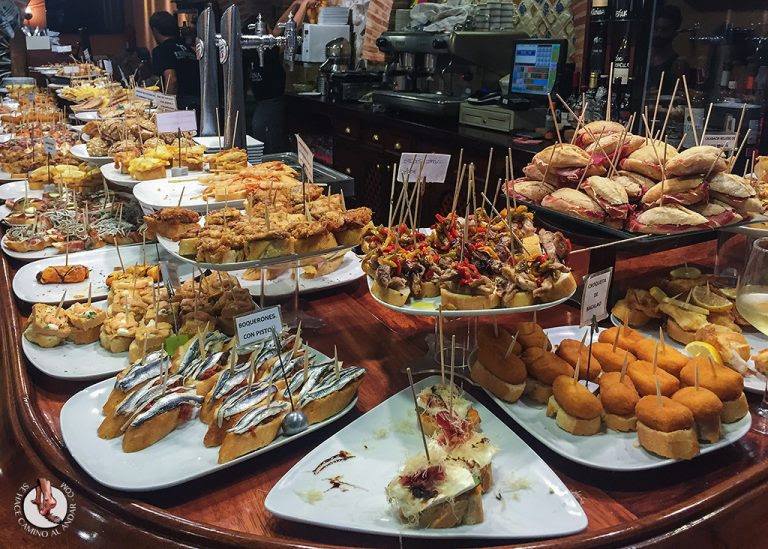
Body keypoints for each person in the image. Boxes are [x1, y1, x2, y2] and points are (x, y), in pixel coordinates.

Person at [245, 0, 315, 153]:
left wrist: (296, 4)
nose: (272, 30)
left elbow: (279, 28)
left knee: (265, 143)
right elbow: (291, 31)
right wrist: (305, 4)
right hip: (270, 105)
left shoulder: (253, 48)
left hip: (262, 104)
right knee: (271, 148)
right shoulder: (266, 49)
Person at [149, 11, 200, 110]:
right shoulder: (187, 47)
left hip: (183, 104)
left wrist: (167, 108)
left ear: (155, 30)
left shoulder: (161, 50)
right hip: (199, 102)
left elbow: (171, 80)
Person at [648, 4, 688, 94]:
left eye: (664, 30)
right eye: (656, 29)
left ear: (675, 33)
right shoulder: (641, 60)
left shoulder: (678, 65)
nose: (658, 34)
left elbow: (680, 95)